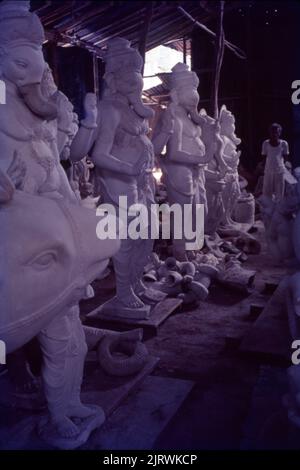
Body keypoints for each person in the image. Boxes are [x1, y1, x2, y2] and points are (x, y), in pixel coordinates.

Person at [262, 123, 290, 201]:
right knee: (267, 192)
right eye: (272, 132)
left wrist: (286, 169)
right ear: (270, 132)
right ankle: (268, 210)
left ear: (279, 133)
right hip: (268, 171)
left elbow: (286, 158)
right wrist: (261, 168)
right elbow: (264, 158)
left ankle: (278, 210)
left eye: (276, 132)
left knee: (279, 193)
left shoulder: (284, 144)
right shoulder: (265, 143)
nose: (274, 134)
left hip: (280, 171)